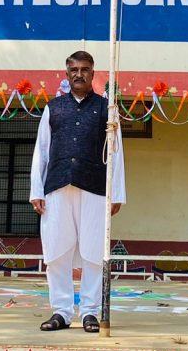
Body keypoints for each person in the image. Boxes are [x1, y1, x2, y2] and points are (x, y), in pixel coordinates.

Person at [29, 50, 126, 333]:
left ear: (93, 74)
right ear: (67, 73)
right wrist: (37, 190)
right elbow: (41, 151)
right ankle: (60, 311)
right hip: (57, 187)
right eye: (74, 70)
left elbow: (116, 152)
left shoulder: (107, 109)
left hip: (94, 188)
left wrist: (117, 192)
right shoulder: (53, 108)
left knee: (94, 251)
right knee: (56, 250)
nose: (79, 74)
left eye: (84, 69)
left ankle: (90, 312)